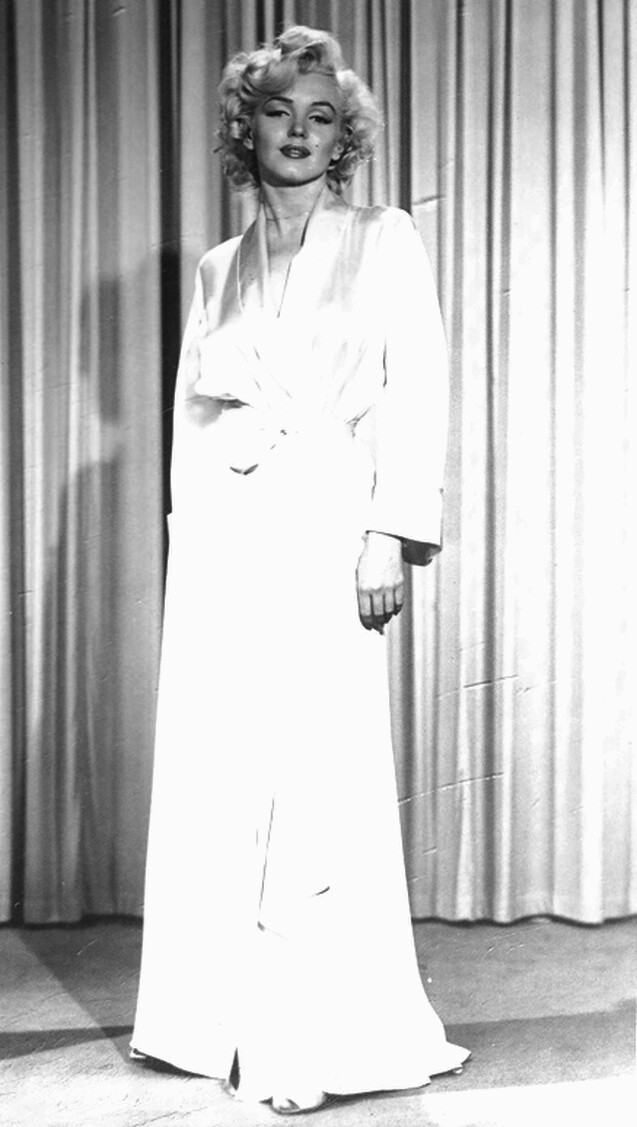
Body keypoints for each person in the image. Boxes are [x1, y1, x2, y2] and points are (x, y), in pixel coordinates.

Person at [131, 25, 469, 1117]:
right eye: (279, 110)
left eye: (321, 117)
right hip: (231, 535)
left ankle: (320, 1034)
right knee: (230, 764)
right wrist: (192, 548)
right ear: (247, 127)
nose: (299, 131)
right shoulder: (217, 266)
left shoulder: (385, 238)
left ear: (343, 139)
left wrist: (388, 532)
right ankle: (216, 1022)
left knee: (319, 764)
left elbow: (416, 387)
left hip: (330, 518)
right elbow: (195, 421)